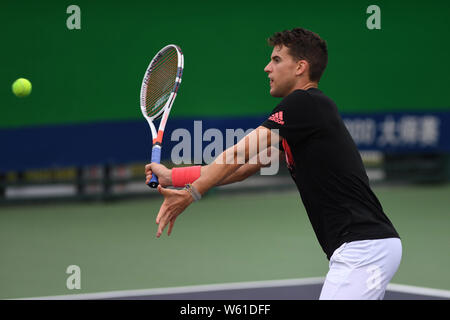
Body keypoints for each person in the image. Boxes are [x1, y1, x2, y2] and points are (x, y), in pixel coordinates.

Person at [144, 27, 402, 300]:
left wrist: (191, 193)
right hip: (361, 246)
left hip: (363, 247)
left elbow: (236, 155)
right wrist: (174, 177)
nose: (267, 68)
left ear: (300, 67)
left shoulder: (303, 103)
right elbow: (242, 168)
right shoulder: (306, 116)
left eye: (277, 59)